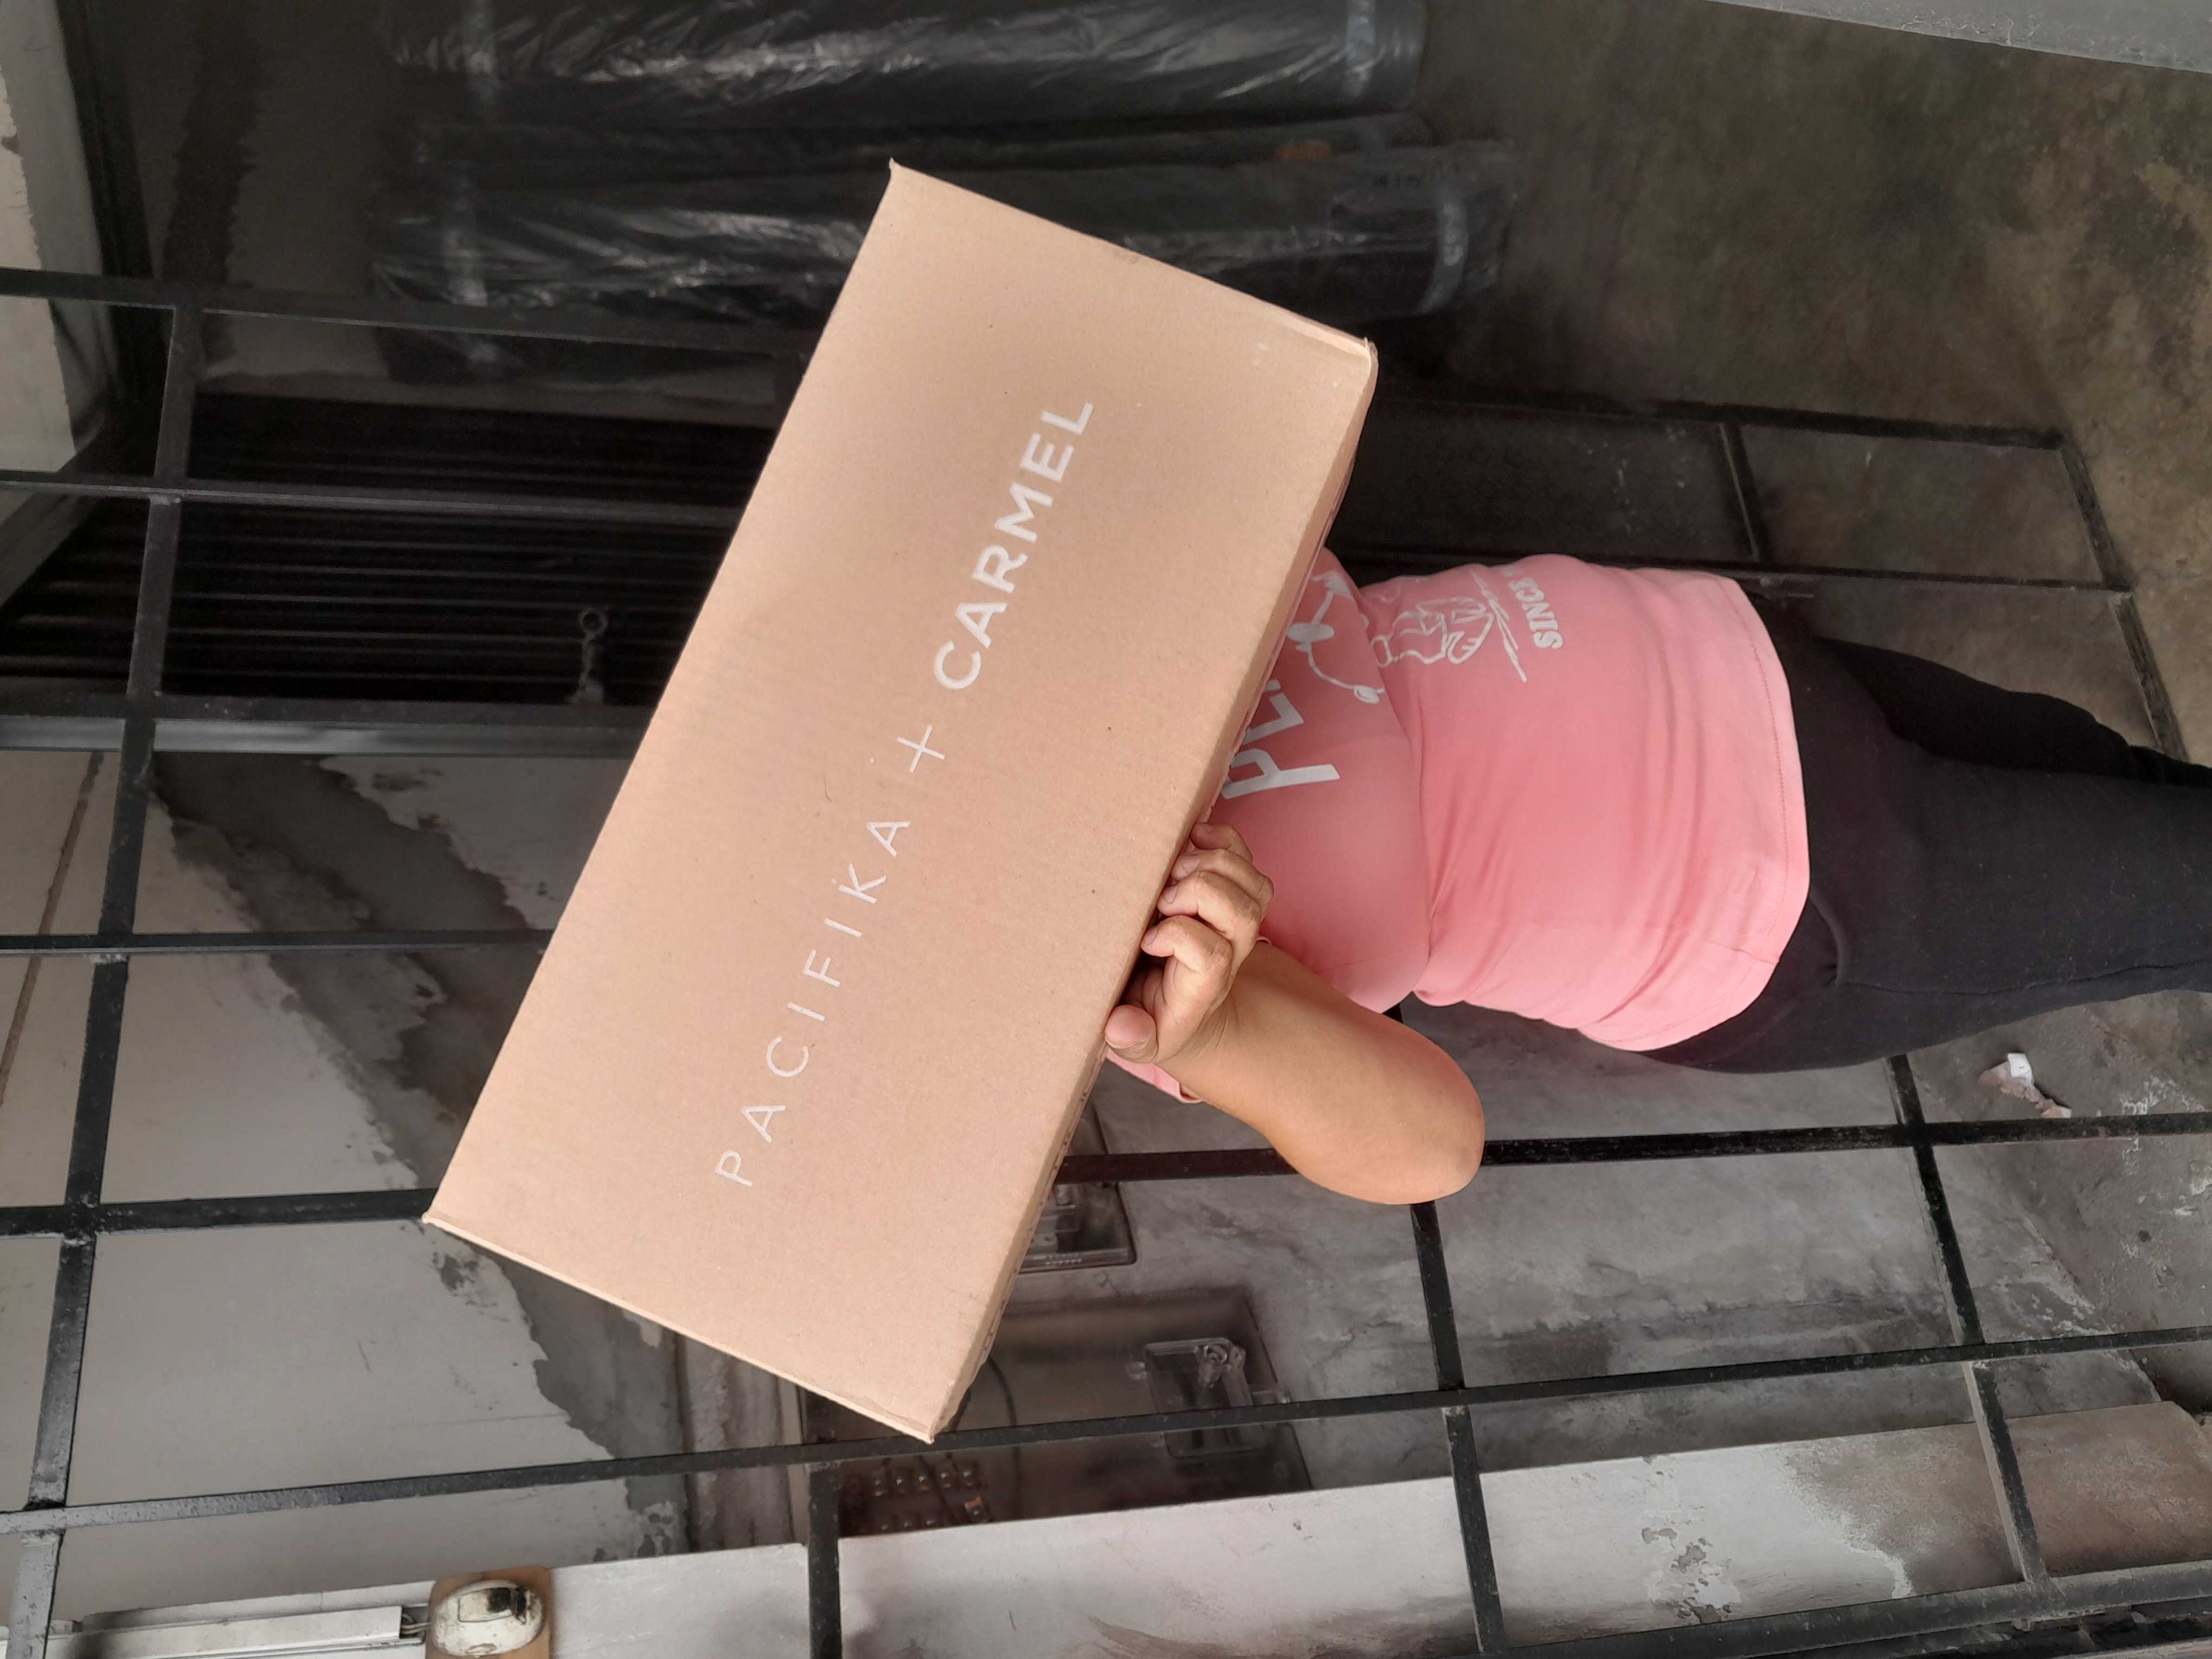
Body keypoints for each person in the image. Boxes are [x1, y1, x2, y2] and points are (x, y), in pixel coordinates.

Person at [1101, 549, 2212, 1206]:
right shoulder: (1110, 948)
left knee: (2139, 788)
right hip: (1773, 891)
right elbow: (1430, 1148)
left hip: (1738, 659)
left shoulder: (1061, 629)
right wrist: (1212, 1030)